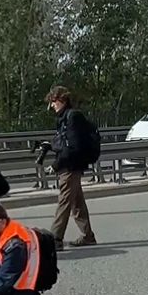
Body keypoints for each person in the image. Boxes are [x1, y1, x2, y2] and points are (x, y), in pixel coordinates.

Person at [44, 85, 98, 249]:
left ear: (63, 100)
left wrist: (56, 164)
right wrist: (51, 146)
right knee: (76, 202)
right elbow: (65, 142)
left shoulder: (73, 117)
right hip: (69, 165)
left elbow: (74, 147)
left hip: (71, 166)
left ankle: (55, 239)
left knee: (64, 202)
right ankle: (88, 236)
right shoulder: (65, 118)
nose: (52, 105)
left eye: (53, 101)